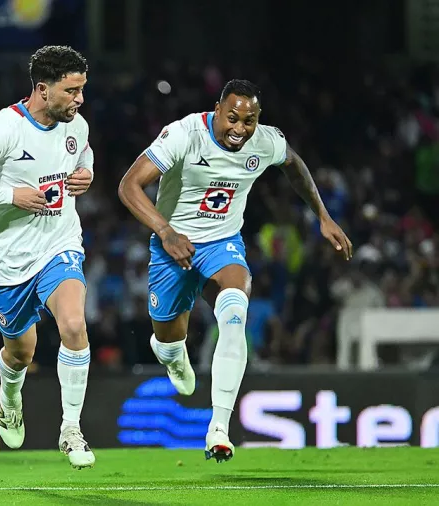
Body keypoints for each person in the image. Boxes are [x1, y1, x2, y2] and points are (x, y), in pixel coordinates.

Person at [117, 79, 353, 463]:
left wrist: (322, 217)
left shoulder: (264, 141)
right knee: (168, 335)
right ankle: (172, 353)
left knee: (234, 311)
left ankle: (219, 428)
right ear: (217, 109)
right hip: (172, 244)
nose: (240, 129)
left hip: (223, 242)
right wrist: (166, 231)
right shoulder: (184, 134)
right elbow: (129, 185)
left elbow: (294, 163)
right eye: (232, 119)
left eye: (249, 121)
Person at [0, 45, 96, 469]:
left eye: (82, 89)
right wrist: (11, 195)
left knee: (75, 325)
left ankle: (71, 428)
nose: (80, 100)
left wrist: (87, 172)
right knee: (21, 352)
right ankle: (10, 395)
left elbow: (83, 153)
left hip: (60, 244)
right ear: (43, 89)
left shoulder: (75, 124)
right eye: (72, 90)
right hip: (9, 257)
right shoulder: (3, 129)